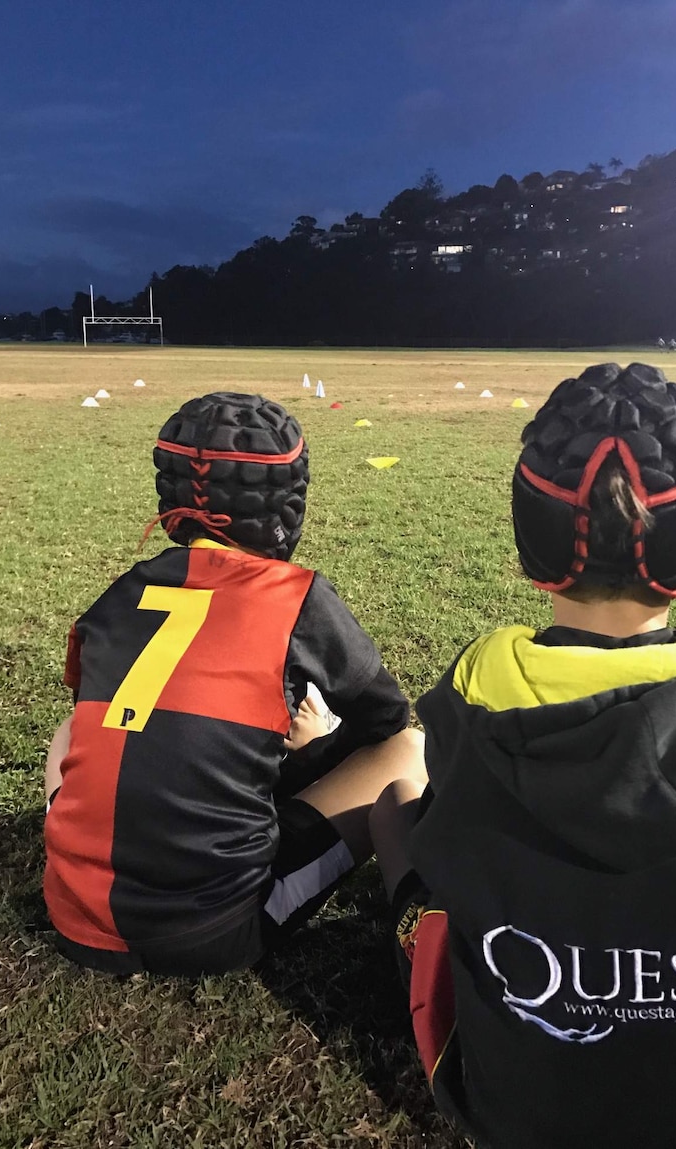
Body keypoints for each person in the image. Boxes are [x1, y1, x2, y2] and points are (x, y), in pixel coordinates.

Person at [370, 362, 676, 1149]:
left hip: (511, 1119)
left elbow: (445, 830)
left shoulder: (473, 695)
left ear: (528, 547)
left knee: (397, 808)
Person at [43, 392, 425, 977]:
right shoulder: (297, 599)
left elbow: (121, 732)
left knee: (74, 727)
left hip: (71, 913)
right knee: (410, 750)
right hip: (213, 929)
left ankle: (81, 859)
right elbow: (386, 722)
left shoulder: (118, 596)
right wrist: (309, 746)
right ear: (287, 504)